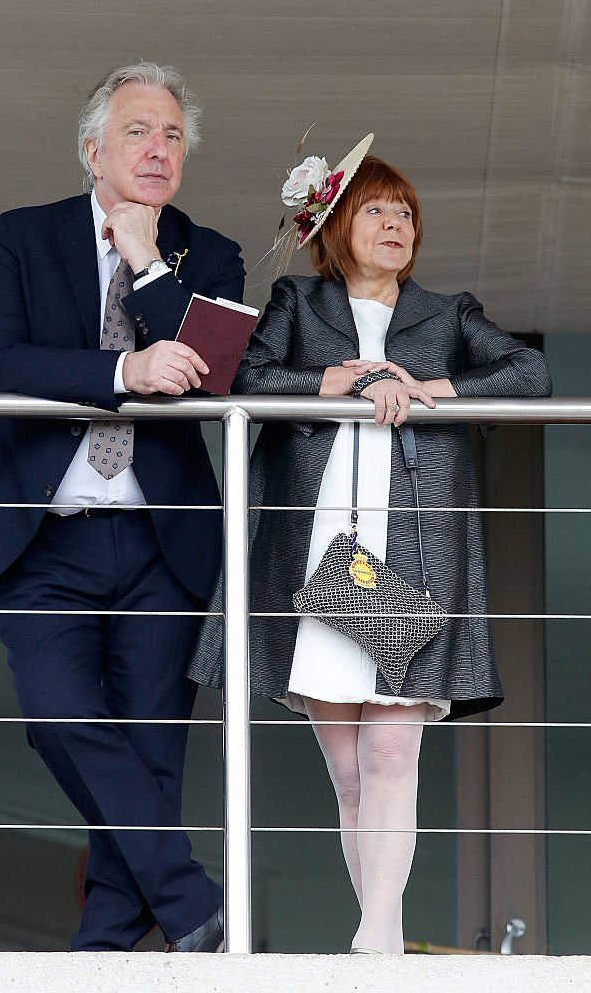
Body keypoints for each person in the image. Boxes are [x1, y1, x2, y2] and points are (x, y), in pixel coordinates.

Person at [190, 135, 552, 953]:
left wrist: (431, 386)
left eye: (406, 214)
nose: (396, 225)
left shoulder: (446, 312)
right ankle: (377, 934)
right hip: (319, 553)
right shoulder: (298, 303)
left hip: (411, 553)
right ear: (337, 224)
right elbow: (246, 376)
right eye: (377, 210)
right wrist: (344, 379)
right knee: (349, 769)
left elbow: (529, 374)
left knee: (392, 751)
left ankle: (379, 938)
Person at [0, 62, 245, 952]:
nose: (158, 150)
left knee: (155, 756)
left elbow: (216, 372)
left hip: (164, 545)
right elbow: (2, 364)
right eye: (137, 132)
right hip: (47, 537)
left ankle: (103, 957)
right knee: (57, 717)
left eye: (172, 138)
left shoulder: (214, 253)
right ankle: (191, 900)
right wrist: (123, 374)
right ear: (92, 149)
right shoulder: (21, 237)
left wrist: (146, 262)